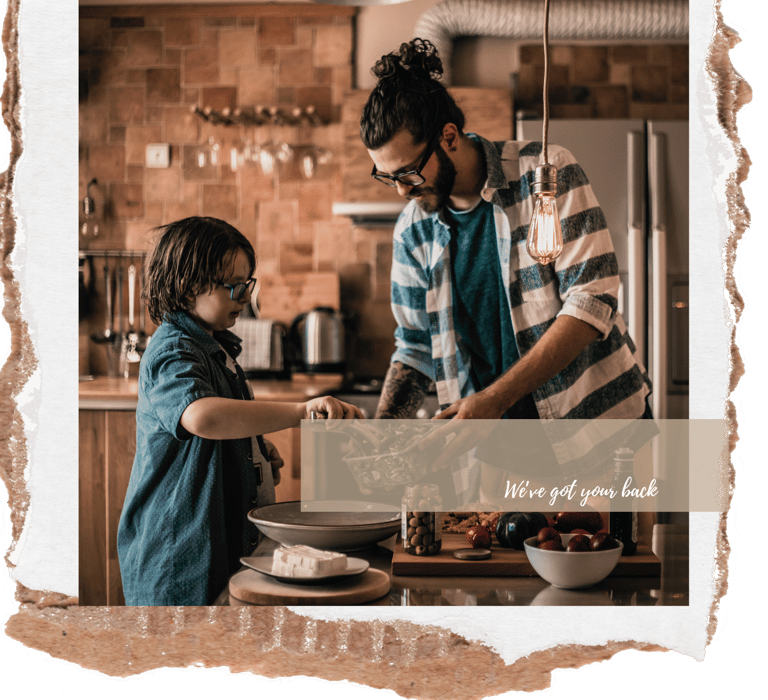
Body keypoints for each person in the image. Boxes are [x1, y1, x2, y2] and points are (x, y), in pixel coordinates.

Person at [360, 39, 652, 504]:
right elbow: (415, 345)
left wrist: (492, 403)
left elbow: (591, 302)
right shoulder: (412, 231)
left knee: (616, 573)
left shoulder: (546, 173)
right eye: (386, 176)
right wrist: (377, 443)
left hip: (602, 436)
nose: (400, 191)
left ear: (449, 137)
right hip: (500, 462)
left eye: (409, 173)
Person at [117, 217, 362, 605]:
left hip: (219, 549)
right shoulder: (173, 350)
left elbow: (224, 426)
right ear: (188, 285)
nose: (244, 296)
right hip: (178, 559)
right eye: (233, 285)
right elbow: (202, 417)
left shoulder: (217, 349)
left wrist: (256, 450)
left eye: (247, 283)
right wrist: (302, 411)